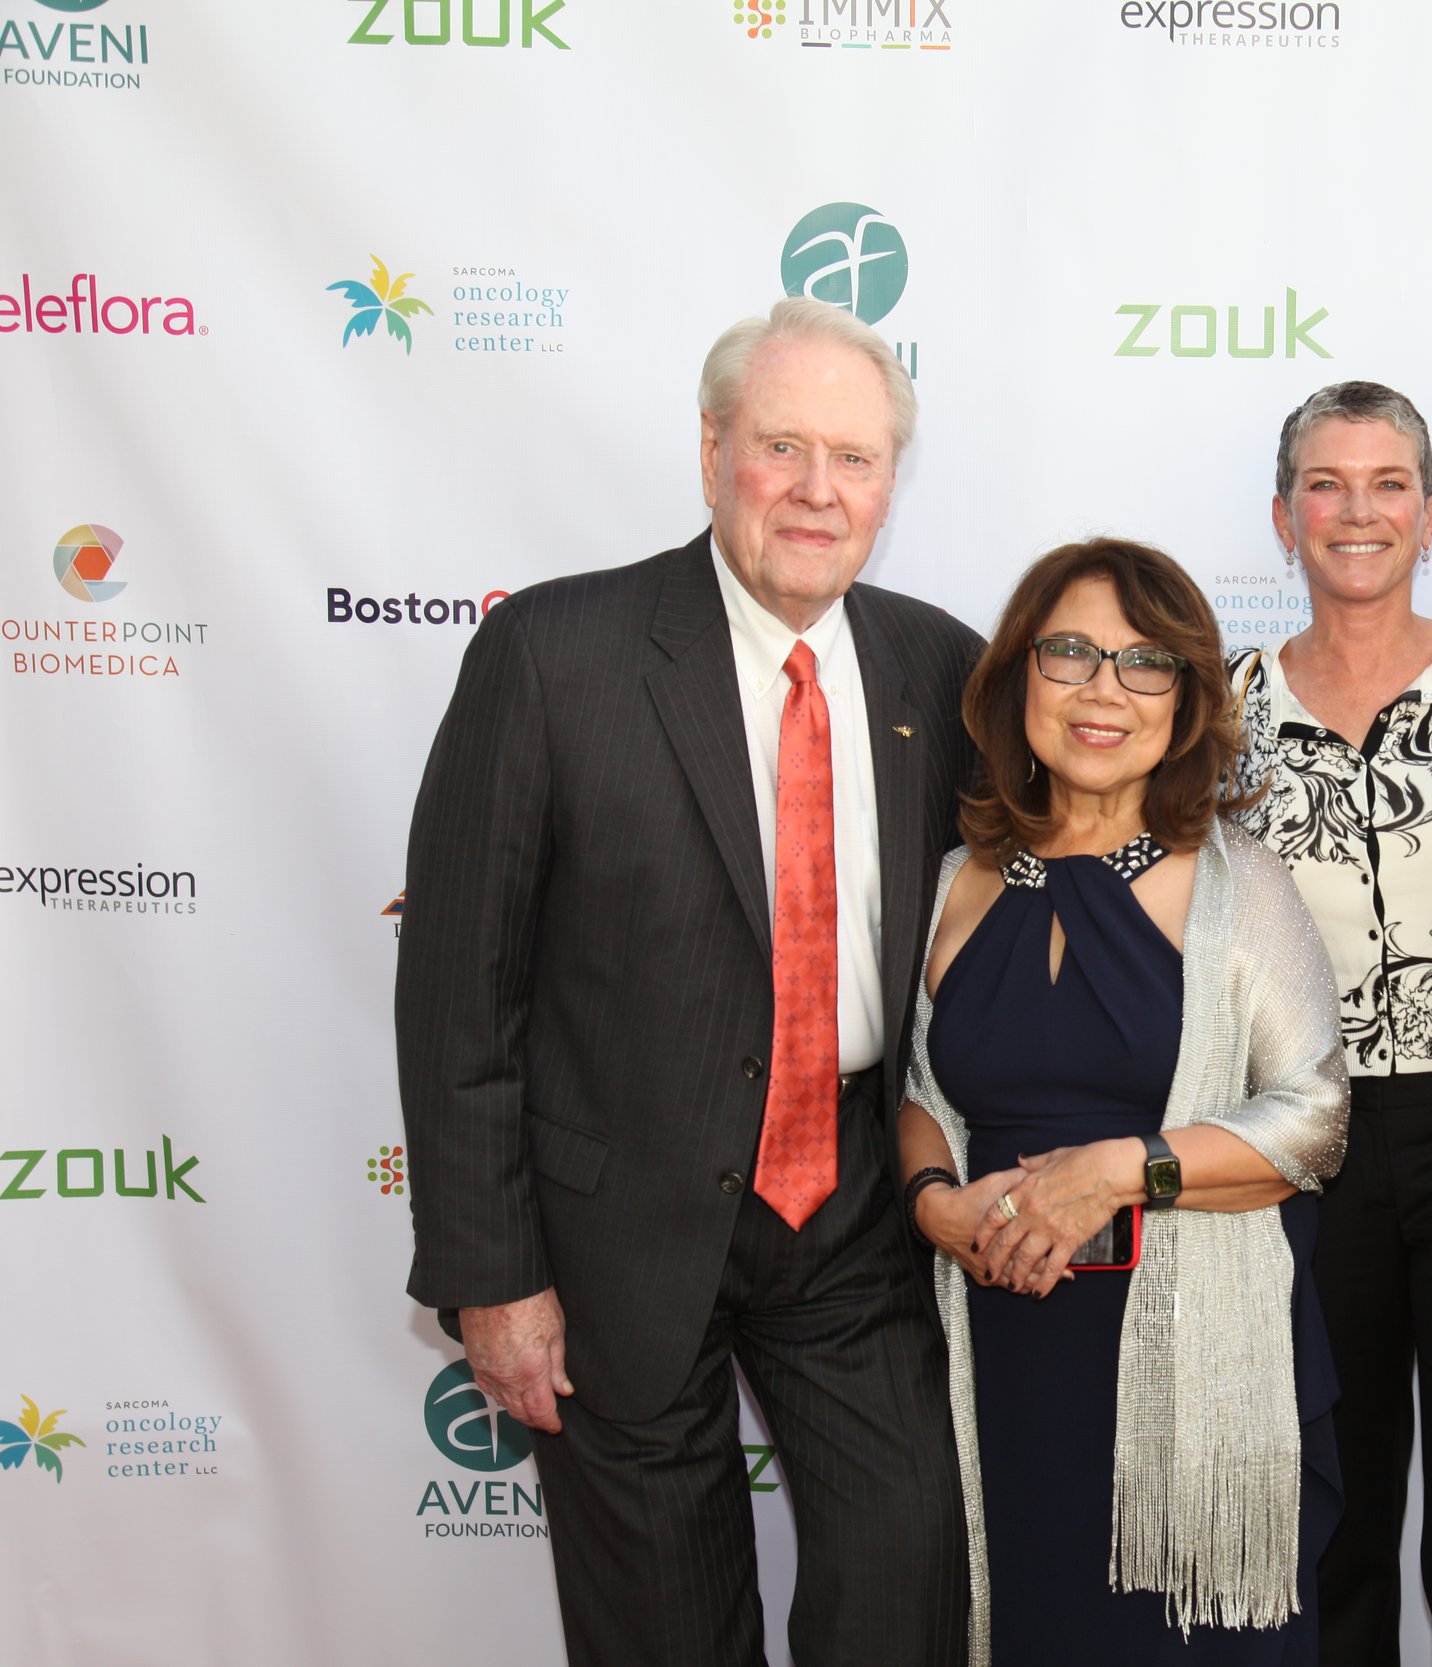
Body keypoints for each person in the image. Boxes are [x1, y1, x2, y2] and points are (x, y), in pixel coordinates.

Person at [397, 296, 981, 1665]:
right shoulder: (554, 656)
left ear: (893, 479)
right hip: (613, 1227)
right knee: (659, 1621)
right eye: (784, 446)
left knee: (907, 1576)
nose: (819, 490)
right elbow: (456, 992)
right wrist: (495, 1278)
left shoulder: (937, 664)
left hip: (852, 1205)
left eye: (856, 457)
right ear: (715, 447)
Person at [896, 538, 1349, 1666]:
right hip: (1006, 1351)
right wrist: (934, 1204)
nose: (1105, 690)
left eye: (1146, 662)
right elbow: (920, 1088)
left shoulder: (1238, 881)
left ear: (1188, 699)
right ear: (1018, 679)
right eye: (1071, 653)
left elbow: (1314, 1116)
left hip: (1186, 1359)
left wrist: (1116, 1168)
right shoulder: (958, 878)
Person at [1228, 381, 1432, 1666]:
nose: (1354, 511)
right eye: (1326, 483)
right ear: (1282, 514)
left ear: (1430, 516)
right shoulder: (1223, 709)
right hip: (1306, 1147)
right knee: (1336, 1500)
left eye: (1384, 486)